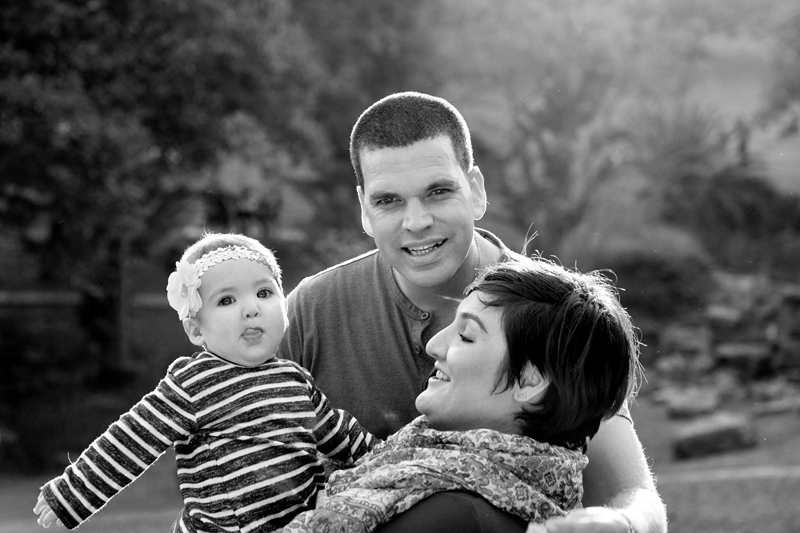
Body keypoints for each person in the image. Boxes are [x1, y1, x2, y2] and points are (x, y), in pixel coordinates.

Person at [280, 91, 668, 532]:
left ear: (476, 190)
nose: (416, 221)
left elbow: (632, 492)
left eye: (438, 191)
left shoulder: (546, 308)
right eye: (388, 201)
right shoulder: (309, 313)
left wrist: (619, 525)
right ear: (365, 210)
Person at [34, 233, 375, 532]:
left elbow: (339, 434)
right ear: (196, 330)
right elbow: (133, 437)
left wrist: (385, 454)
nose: (251, 309)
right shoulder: (193, 383)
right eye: (227, 300)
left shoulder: (295, 380)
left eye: (264, 293)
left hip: (298, 523)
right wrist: (72, 493)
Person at [283, 258, 639, 533]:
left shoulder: (452, 516)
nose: (435, 344)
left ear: (530, 382)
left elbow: (635, 492)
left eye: (466, 335)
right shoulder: (466, 491)